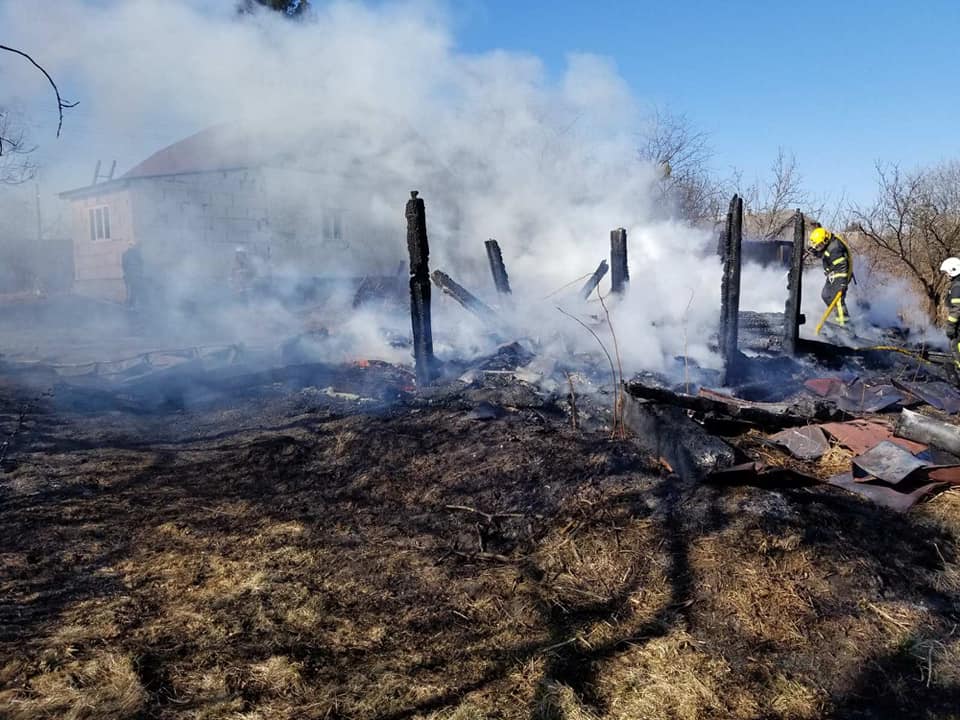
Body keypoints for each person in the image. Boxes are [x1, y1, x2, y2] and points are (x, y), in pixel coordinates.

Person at [809, 226, 853, 328]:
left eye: (819, 245)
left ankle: (845, 326)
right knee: (826, 295)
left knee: (837, 300)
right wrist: (815, 251)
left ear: (825, 240)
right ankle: (837, 316)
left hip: (841, 275)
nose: (818, 247)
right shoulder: (828, 243)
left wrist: (842, 284)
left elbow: (842, 266)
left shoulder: (835, 249)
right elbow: (825, 253)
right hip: (833, 274)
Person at [940, 257, 960, 378]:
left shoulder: (957, 286)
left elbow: (957, 308)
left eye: (947, 272)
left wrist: (951, 325)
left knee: (956, 348)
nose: (946, 275)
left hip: (959, 327)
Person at [121, 240, 144, 308]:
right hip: (134, 275)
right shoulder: (137, 253)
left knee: (130, 290)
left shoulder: (125, 254)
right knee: (133, 290)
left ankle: (130, 305)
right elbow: (141, 263)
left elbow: (124, 265)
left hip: (130, 275)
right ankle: (132, 304)